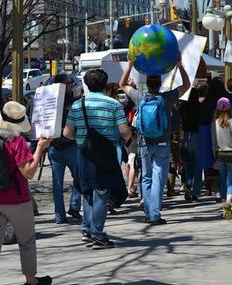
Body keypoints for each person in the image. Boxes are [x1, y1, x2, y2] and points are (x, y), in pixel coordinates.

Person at [64, 69, 132, 249]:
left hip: (83, 154)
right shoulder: (113, 105)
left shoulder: (77, 106)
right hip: (105, 155)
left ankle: (86, 229)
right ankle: (98, 234)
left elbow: (66, 133)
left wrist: (81, 140)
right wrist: (122, 138)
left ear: (86, 84)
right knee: (101, 193)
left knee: (87, 191)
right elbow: (125, 131)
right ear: (105, 84)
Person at [119, 60, 190, 224]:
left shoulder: (140, 97)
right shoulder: (167, 98)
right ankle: (155, 214)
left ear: (147, 84)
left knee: (146, 178)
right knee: (159, 177)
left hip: (144, 143)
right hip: (163, 143)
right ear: (160, 84)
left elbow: (122, 84)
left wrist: (129, 65)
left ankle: (148, 212)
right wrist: (179, 65)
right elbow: (186, 85)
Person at [0, 101, 53, 285]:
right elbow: (28, 173)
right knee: (27, 241)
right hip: (16, 199)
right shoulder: (17, 142)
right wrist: (40, 148)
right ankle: (32, 281)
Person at [47, 74, 82, 224]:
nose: (71, 86)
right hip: (69, 145)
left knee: (57, 183)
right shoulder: (71, 101)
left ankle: (60, 215)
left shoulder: (48, 101)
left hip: (54, 146)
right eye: (69, 83)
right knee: (79, 177)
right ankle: (74, 207)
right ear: (64, 85)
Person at [212, 97, 232, 219]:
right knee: (231, 182)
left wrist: (214, 158)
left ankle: (225, 205)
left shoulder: (214, 123)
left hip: (220, 155)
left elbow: (213, 143)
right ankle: (228, 203)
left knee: (223, 180)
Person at [179, 86, 202, 201]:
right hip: (197, 136)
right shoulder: (200, 107)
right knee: (198, 166)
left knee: (188, 165)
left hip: (186, 136)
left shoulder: (183, 106)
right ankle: (196, 192)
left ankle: (188, 184)